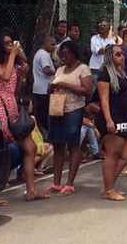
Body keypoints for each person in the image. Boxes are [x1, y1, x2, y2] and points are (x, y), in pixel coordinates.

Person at [0, 31, 49, 202]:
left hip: (13, 110)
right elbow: (5, 78)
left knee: (30, 149)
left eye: (11, 42)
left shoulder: (13, 65)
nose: (10, 45)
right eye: (7, 42)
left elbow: (14, 89)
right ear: (0, 45)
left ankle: (31, 191)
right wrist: (14, 55)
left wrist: (22, 75)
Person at [46, 40, 92, 197]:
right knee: (58, 145)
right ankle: (56, 182)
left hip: (74, 109)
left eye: (65, 56)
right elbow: (52, 87)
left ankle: (70, 183)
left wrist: (66, 85)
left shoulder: (83, 69)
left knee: (73, 145)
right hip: (57, 109)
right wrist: (51, 87)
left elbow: (87, 90)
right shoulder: (59, 70)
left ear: (74, 54)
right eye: (61, 56)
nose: (63, 59)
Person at [96, 45, 127, 201]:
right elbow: (104, 99)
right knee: (113, 154)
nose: (122, 56)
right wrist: (108, 120)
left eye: (123, 53)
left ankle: (108, 184)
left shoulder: (121, 72)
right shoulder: (105, 74)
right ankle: (109, 190)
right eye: (118, 54)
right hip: (112, 117)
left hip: (124, 117)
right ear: (109, 57)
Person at [32, 36, 56, 132]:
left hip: (38, 87)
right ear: (45, 43)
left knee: (41, 111)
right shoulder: (44, 55)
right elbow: (46, 70)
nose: (54, 47)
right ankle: (44, 132)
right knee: (44, 113)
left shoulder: (38, 53)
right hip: (44, 89)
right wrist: (56, 71)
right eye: (52, 44)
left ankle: (42, 131)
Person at [88, 20, 115, 90]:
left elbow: (113, 53)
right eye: (101, 25)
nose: (102, 27)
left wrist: (105, 50)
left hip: (107, 68)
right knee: (94, 89)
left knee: (105, 89)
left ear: (109, 29)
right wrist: (109, 49)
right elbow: (97, 51)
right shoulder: (94, 38)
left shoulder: (112, 41)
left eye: (104, 25)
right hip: (95, 67)